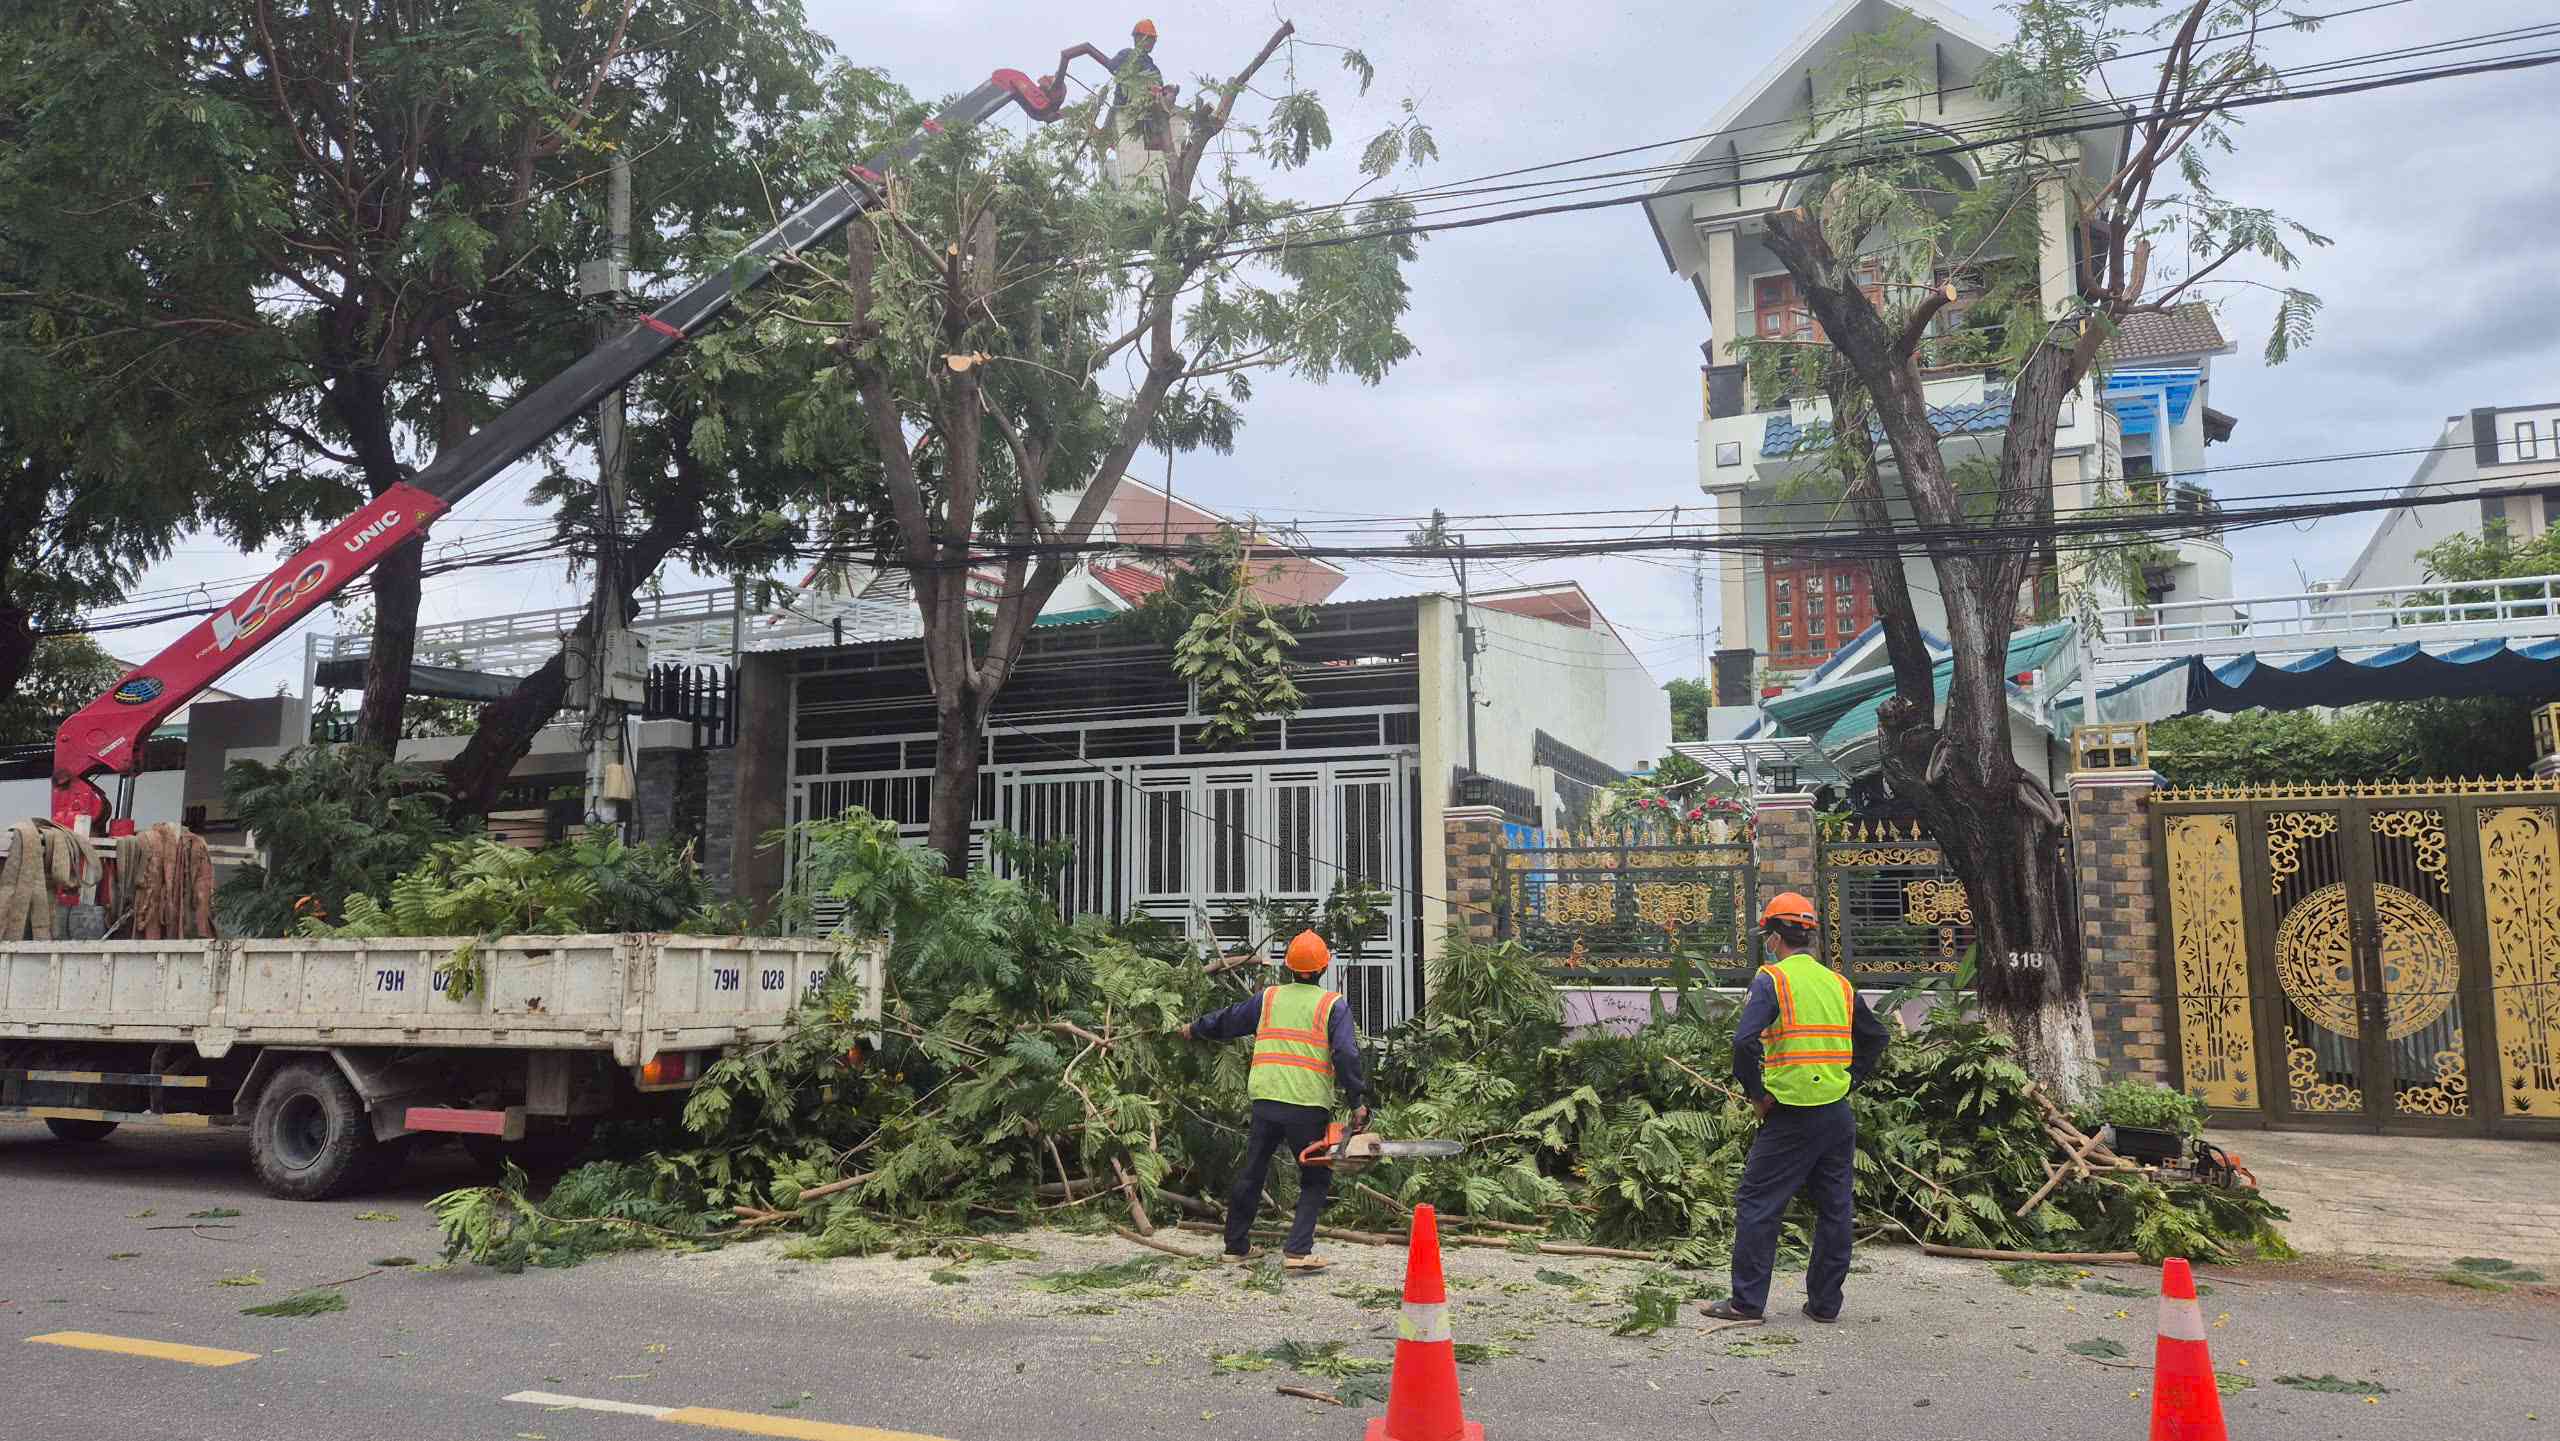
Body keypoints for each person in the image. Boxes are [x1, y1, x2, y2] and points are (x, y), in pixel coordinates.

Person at [1702, 892, 1890, 1324]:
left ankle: (1746, 1303)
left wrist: (1756, 1094)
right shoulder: (1838, 984)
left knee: (1758, 1202)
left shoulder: (1773, 979)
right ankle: (1824, 1305)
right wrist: (1851, 1079)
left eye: (1767, 936)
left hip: (1790, 1113)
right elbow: (1877, 1037)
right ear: (1808, 936)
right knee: (1835, 1209)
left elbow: (1743, 1042)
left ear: (1773, 938)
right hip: (1836, 1113)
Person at [1179, 929, 1368, 1271]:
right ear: (1323, 968)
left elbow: (1229, 1020)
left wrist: (1195, 1028)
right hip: (1306, 1105)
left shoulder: (1269, 998)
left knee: (1253, 1172)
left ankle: (1236, 1246)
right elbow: (1345, 1053)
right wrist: (1357, 1101)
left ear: (1289, 967)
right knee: (1315, 1177)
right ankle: (1297, 1250)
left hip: (1266, 1100)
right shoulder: (1332, 1005)